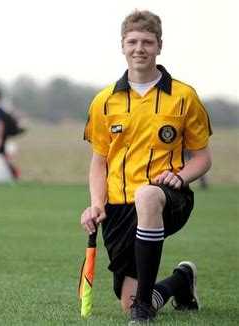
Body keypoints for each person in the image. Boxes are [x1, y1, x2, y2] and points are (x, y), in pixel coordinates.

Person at [80, 10, 212, 324]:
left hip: (169, 197)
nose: (140, 48)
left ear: (159, 46)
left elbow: (203, 158)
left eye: (148, 42)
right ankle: (181, 280)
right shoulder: (104, 101)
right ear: (123, 46)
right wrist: (97, 205)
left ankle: (143, 310)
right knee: (128, 303)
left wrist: (179, 177)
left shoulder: (183, 97)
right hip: (119, 208)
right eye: (133, 41)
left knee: (148, 195)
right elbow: (99, 163)